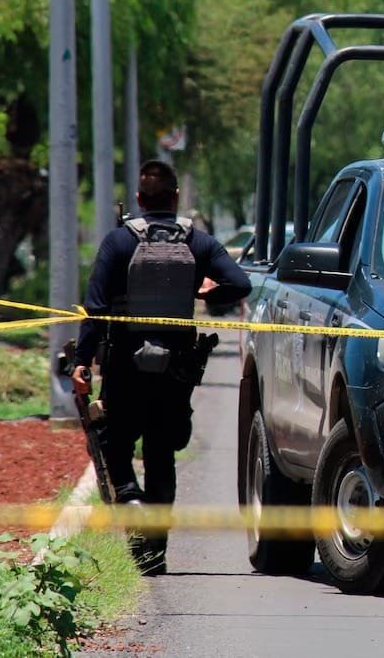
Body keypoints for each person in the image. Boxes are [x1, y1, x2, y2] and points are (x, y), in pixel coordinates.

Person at [71, 160, 251, 574]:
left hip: (123, 365)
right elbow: (240, 284)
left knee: (115, 443)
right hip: (176, 369)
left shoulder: (118, 241)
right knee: (161, 451)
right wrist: (205, 293)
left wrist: (81, 361)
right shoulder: (199, 242)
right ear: (175, 197)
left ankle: (131, 501)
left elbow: (96, 308)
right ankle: (155, 554)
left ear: (138, 198)